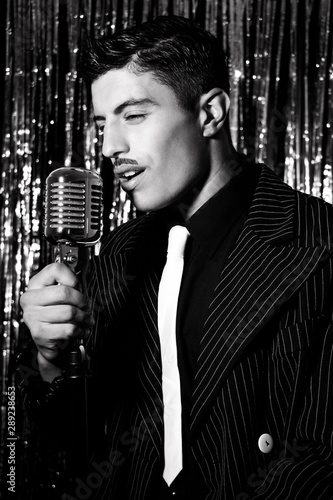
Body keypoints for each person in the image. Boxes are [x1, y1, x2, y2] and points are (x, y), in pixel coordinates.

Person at [18, 14, 333, 500]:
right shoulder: (120, 254)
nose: (110, 148)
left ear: (210, 114)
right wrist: (50, 359)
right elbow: (69, 446)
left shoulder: (321, 242)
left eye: (135, 115)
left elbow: (323, 455)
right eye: (103, 124)